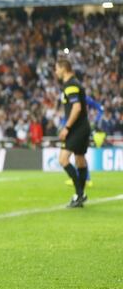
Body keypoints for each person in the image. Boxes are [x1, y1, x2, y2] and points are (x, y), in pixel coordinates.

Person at [54, 59, 91, 208]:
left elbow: (77, 108)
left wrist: (67, 128)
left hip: (76, 129)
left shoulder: (71, 85)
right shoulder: (75, 83)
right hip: (82, 127)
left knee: (63, 159)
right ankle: (80, 195)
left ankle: (79, 193)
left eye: (57, 68)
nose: (55, 71)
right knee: (80, 159)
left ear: (64, 68)